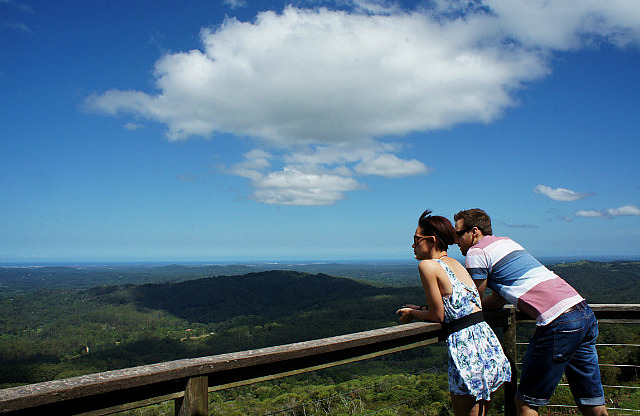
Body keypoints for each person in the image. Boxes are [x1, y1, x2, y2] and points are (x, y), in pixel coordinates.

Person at [453, 208, 608, 416]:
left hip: (558, 321)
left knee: (526, 402)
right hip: (584, 313)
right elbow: (497, 300)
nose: (455, 241)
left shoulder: (476, 252)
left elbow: (474, 300)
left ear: (474, 232)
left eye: (458, 234)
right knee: (591, 401)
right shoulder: (506, 242)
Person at [397, 209, 511, 416]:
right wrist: (420, 308)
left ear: (431, 240)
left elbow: (438, 316)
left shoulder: (427, 266)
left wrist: (412, 314)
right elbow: (457, 305)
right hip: (488, 345)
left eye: (416, 239)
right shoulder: (456, 263)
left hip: (466, 350)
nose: (413, 245)